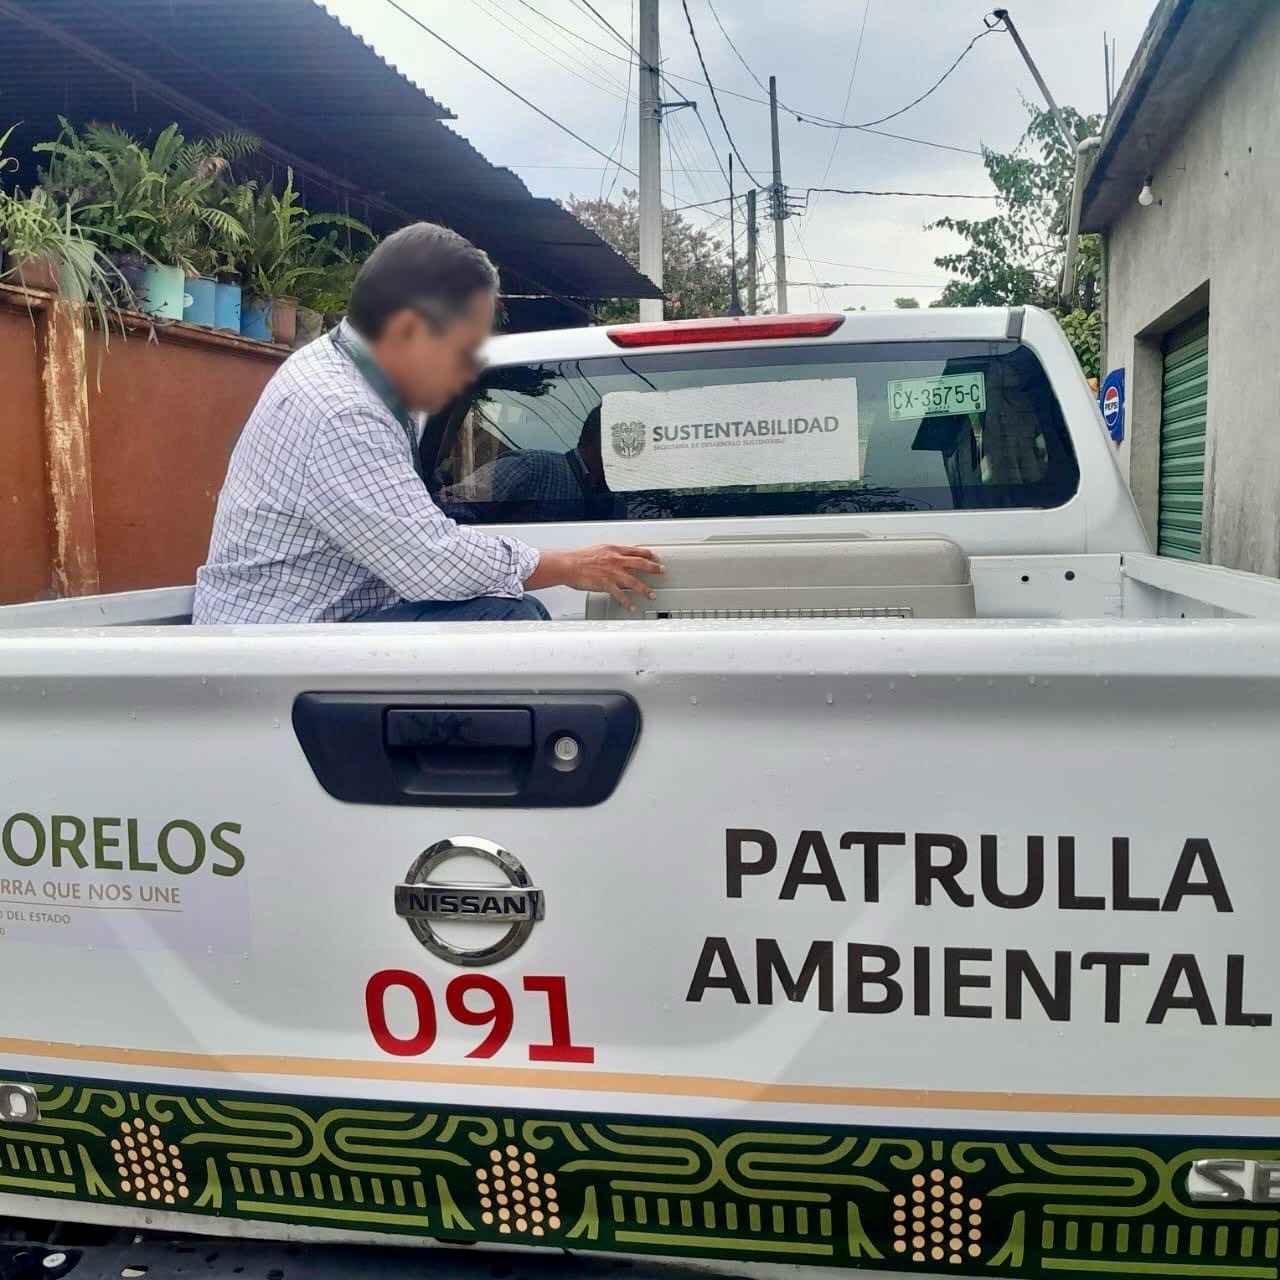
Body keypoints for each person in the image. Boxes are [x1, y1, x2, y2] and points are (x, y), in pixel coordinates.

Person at [193, 222, 661, 623]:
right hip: (280, 650)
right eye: (463, 350)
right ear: (409, 331)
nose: (467, 372)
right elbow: (431, 560)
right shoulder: (343, 411)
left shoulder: (338, 369)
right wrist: (566, 565)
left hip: (305, 630)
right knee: (510, 618)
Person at [435, 406, 617, 525]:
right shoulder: (532, 467)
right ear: (589, 439)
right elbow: (450, 504)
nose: (622, 453)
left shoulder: (622, 495)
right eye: (615, 443)